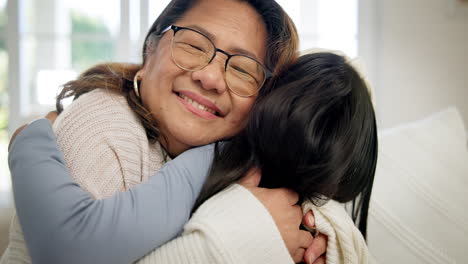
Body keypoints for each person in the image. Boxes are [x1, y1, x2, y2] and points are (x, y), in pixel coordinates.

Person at [2, 0, 328, 263]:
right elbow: (71, 251)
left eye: (243, 69)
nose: (211, 77)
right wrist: (246, 237)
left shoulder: (233, 160)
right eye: (194, 45)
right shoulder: (105, 118)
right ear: (150, 50)